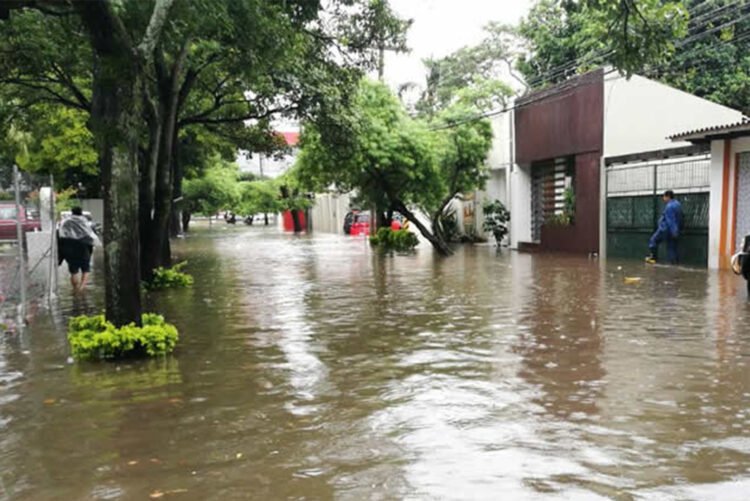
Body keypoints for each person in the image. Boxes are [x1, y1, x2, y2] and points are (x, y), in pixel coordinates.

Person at [58, 207, 100, 293]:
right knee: (85, 269)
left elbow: (60, 235)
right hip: (83, 248)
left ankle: (75, 289)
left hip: (68, 248)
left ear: (72, 212)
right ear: (81, 212)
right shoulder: (85, 222)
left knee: (73, 270)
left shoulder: (65, 222)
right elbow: (91, 236)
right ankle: (81, 289)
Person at [646, 190, 683, 265]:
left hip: (666, 229)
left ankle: (653, 258)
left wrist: (674, 231)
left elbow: (670, 220)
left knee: (653, 240)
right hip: (675, 229)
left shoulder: (669, 206)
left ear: (668, 197)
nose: (663, 198)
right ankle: (674, 264)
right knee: (672, 248)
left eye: (664, 197)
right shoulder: (678, 204)